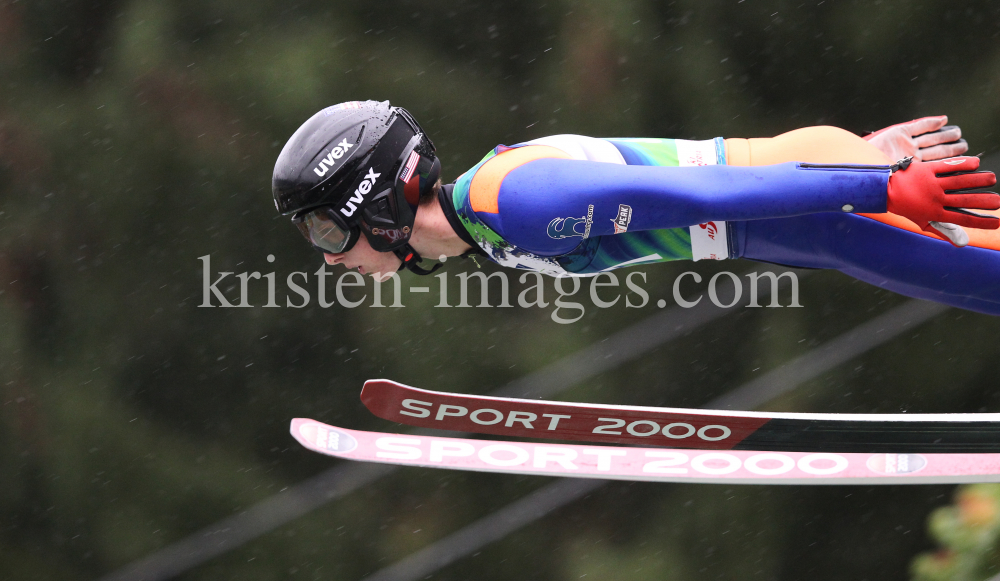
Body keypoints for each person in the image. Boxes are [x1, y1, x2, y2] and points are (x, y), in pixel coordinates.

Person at [271, 100, 1000, 315]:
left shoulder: (519, 201)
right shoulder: (486, 228)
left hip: (818, 207)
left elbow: (703, 193)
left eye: (327, 228)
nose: (330, 256)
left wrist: (872, 183)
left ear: (375, 203)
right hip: (801, 218)